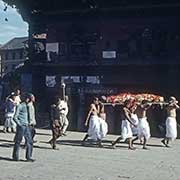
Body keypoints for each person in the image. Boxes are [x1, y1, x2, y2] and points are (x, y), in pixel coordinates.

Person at [12, 93, 35, 162]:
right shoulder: (20, 106)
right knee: (18, 141)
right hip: (22, 126)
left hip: (28, 126)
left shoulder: (30, 106)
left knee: (29, 142)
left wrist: (32, 122)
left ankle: (28, 157)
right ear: (27, 98)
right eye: (31, 98)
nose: (32, 99)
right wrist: (20, 124)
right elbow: (15, 117)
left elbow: (32, 115)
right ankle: (15, 157)